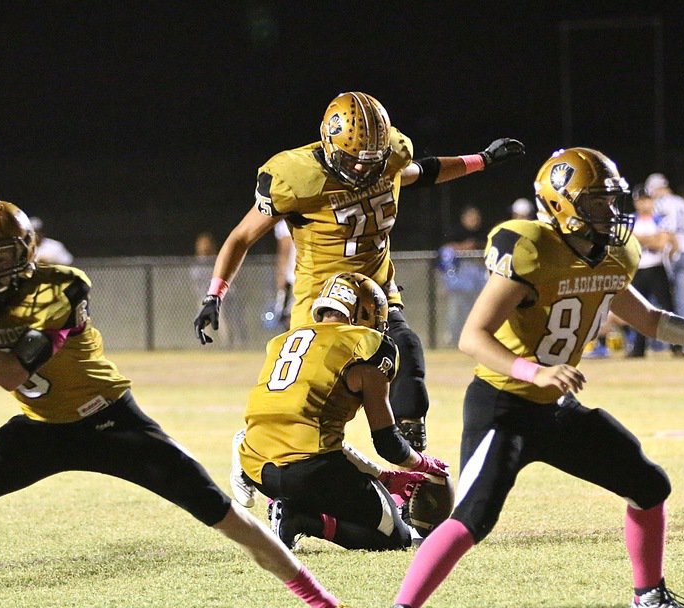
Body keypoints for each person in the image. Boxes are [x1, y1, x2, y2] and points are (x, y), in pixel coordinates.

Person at [0, 199, 370, 608]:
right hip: (41, 427)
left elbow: (14, 374)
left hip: (109, 420)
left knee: (222, 514)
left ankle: (327, 606)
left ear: (22, 251)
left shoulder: (61, 287)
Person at [368, 148, 684, 608]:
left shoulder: (612, 255)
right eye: (597, 201)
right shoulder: (531, 248)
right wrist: (535, 370)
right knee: (473, 517)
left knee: (648, 484)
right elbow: (472, 337)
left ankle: (648, 600)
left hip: (553, 406)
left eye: (611, 200)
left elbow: (648, 319)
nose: (611, 211)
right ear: (561, 204)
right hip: (503, 403)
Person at [193, 91, 525, 456]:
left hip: (375, 292)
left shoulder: (389, 159)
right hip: (322, 302)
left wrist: (482, 159)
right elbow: (242, 236)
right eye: (354, 162)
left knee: (406, 354)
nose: (363, 171)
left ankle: (412, 470)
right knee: (310, 404)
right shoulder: (297, 179)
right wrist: (215, 293)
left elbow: (424, 172)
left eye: (372, 162)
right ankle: (265, 463)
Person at [236, 272, 450, 551]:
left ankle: (290, 505)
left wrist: (382, 477)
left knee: (314, 450)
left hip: (256, 467)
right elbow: (388, 443)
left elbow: (314, 433)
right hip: (309, 471)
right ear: (362, 312)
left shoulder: (282, 341)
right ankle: (301, 519)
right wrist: (423, 464)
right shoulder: (366, 345)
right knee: (395, 536)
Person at [625, 184, 677, 357]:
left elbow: (661, 243)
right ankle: (638, 349)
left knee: (668, 309)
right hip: (638, 270)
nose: (644, 204)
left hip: (656, 268)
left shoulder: (660, 218)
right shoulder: (630, 220)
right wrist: (651, 239)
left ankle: (677, 347)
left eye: (647, 199)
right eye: (641, 200)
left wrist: (638, 239)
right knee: (637, 311)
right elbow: (626, 243)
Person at [645, 172, 684, 335]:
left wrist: (672, 248)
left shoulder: (661, 204)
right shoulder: (683, 203)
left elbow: (666, 231)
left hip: (673, 252)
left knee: (674, 299)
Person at [439, 206, 489, 343]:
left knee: (476, 312)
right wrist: (466, 247)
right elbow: (446, 254)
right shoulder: (455, 232)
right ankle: (452, 339)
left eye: (476, 217)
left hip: (477, 284)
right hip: (459, 284)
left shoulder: (483, 233)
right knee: (455, 312)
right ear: (464, 218)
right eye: (471, 217)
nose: (474, 220)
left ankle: (475, 339)